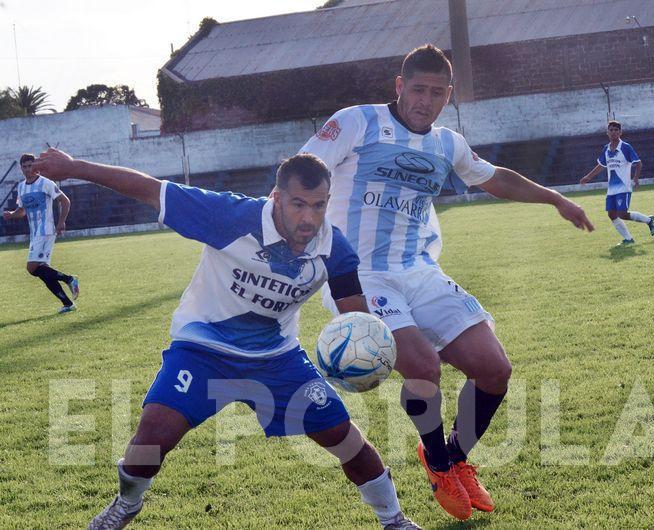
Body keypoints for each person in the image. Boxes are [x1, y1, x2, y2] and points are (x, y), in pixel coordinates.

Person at [31, 149, 421, 530]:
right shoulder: (228, 215)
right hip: (204, 348)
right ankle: (127, 504)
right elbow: (148, 188)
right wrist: (73, 167)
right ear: (276, 198)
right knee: (153, 436)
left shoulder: (334, 248)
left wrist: (368, 356)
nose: (309, 218)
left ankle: (395, 521)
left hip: (277, 358)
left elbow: (356, 318)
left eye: (319, 206)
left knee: (343, 436)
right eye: (298, 204)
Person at [300, 44, 594, 521]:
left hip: (419, 270)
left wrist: (554, 198)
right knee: (422, 367)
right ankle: (438, 464)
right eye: (417, 89)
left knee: (495, 369)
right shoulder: (357, 123)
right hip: (361, 274)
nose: (425, 100)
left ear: (448, 95)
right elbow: (303, 170)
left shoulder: (447, 143)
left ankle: (455, 456)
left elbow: (494, 177)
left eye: (437, 93)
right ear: (399, 86)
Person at [2, 153, 79, 313]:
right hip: (35, 232)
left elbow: (65, 201)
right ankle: (67, 303)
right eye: (25, 166)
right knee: (43, 271)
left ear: (35, 166)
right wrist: (11, 214)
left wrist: (61, 221)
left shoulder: (45, 183)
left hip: (46, 230)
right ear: (21, 168)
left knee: (32, 268)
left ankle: (69, 279)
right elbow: (22, 211)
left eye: (31, 165)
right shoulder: (21, 187)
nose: (28, 169)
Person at [580, 121, 654, 245]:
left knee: (622, 214)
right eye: (611, 130)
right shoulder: (606, 148)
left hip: (624, 187)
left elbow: (638, 163)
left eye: (616, 130)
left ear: (620, 132)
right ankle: (628, 239)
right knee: (611, 214)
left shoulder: (625, 147)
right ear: (607, 133)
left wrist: (636, 179)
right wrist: (588, 177)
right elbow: (601, 165)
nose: (614, 132)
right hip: (612, 189)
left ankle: (649, 220)